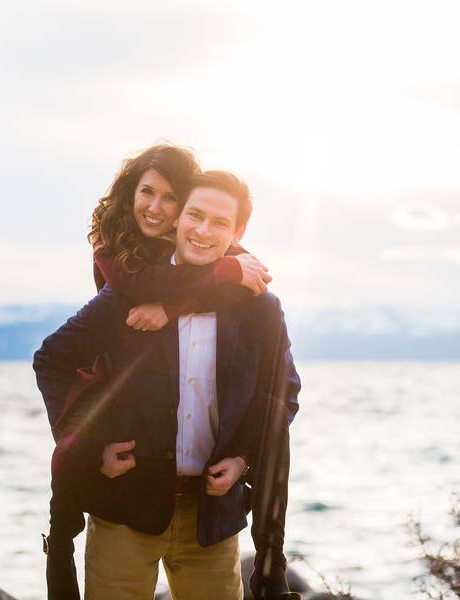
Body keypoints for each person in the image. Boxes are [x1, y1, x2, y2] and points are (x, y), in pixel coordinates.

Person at [34, 170, 300, 599]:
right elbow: (51, 361)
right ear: (177, 220)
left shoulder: (260, 309)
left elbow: (282, 395)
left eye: (219, 222)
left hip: (212, 518)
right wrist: (90, 444)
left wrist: (244, 460)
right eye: (194, 215)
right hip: (125, 508)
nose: (202, 230)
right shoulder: (129, 295)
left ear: (238, 232)